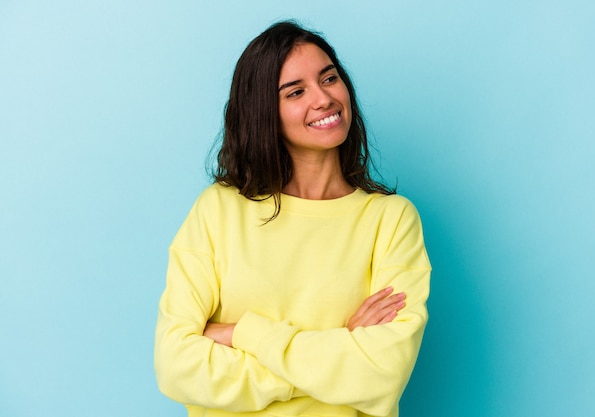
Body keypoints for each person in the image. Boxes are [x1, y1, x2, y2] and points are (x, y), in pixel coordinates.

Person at [154, 20, 431, 417]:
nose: (323, 99)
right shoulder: (218, 210)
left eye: (329, 78)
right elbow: (175, 367)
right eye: (296, 92)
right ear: (264, 111)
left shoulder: (391, 220)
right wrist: (338, 349)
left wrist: (242, 334)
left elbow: (382, 372)